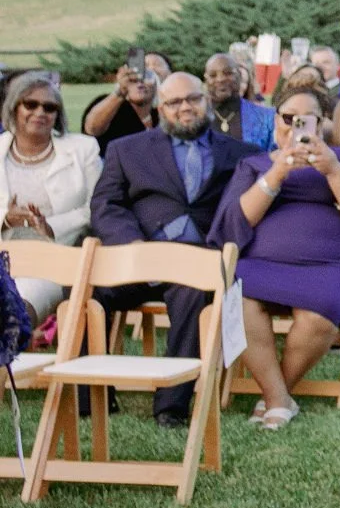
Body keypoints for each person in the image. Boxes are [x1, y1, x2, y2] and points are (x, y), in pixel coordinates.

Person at [212, 84, 340, 431]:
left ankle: (277, 395)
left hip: (329, 267)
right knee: (237, 298)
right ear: (275, 119)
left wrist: (332, 170)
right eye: (288, 117)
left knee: (318, 316)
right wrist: (277, 172)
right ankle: (278, 398)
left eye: (305, 119)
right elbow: (235, 220)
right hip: (261, 265)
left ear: (321, 123)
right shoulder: (254, 164)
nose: (295, 126)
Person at [88, 72, 261, 424]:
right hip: (140, 253)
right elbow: (106, 204)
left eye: (192, 99)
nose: (185, 108)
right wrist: (131, 244)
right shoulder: (127, 149)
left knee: (194, 295)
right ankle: (91, 397)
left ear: (206, 101)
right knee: (90, 292)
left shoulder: (242, 154)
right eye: (174, 102)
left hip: (200, 259)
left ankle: (171, 406)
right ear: (160, 108)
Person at [1, 71, 101, 320]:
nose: (40, 112)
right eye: (31, 104)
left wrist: (50, 226)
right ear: (14, 107)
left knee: (18, 302)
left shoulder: (82, 149)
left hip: (55, 256)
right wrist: (5, 218)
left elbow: (98, 206)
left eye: (49, 107)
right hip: (5, 251)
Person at [81, 59, 159, 152]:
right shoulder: (110, 105)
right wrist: (120, 93)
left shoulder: (159, 114)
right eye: (133, 79)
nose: (140, 83)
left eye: (147, 76)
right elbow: (92, 129)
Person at [203, 53, 275, 148]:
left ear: (239, 76)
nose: (220, 79)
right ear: (206, 80)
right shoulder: (197, 117)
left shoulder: (265, 117)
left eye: (228, 73)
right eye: (213, 75)